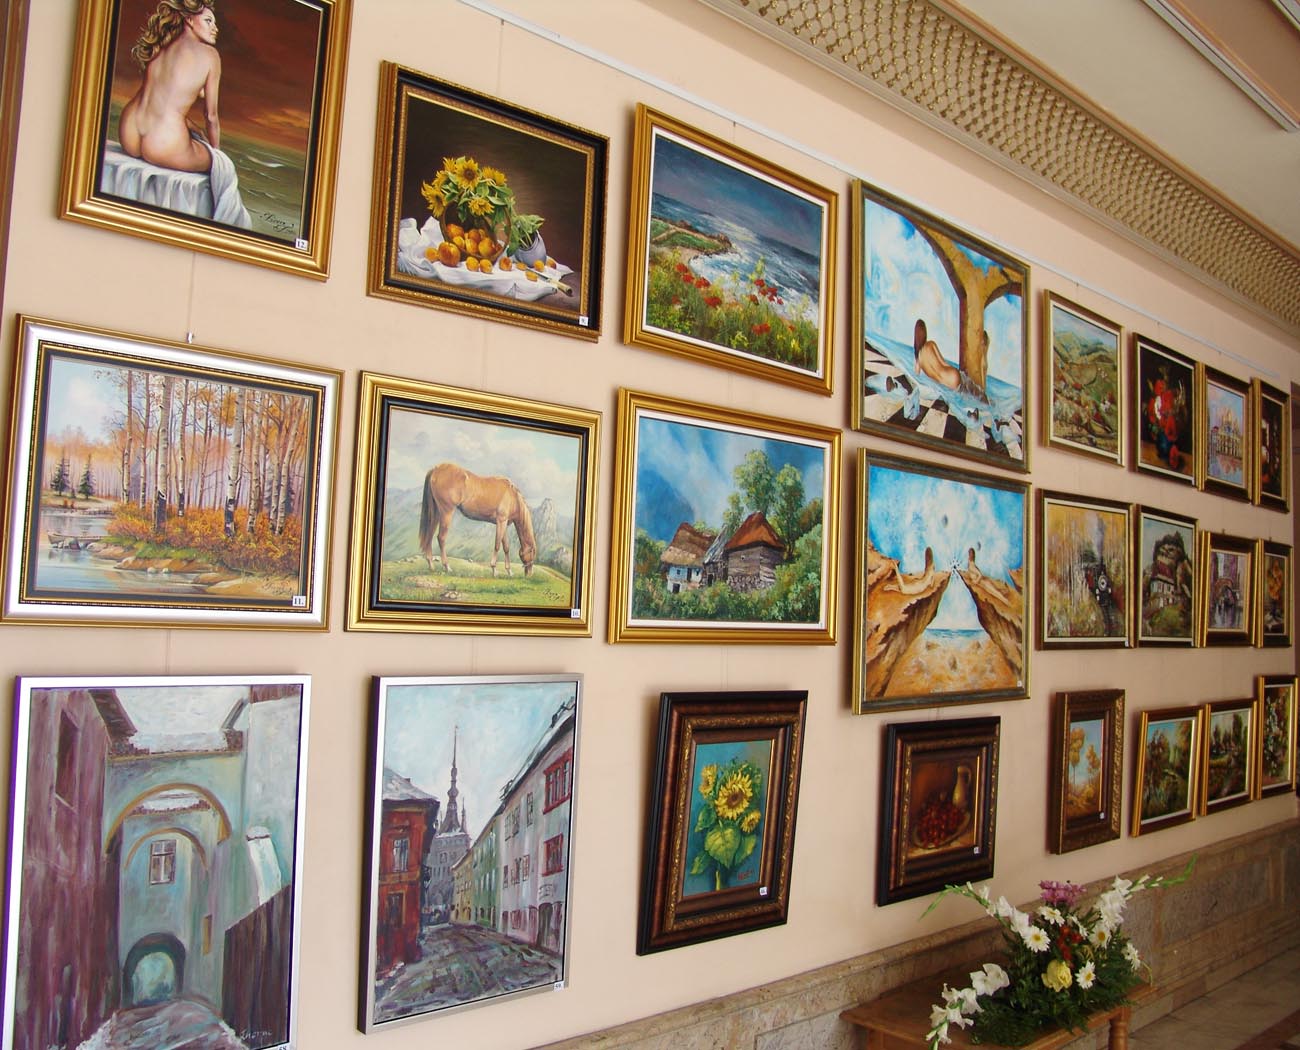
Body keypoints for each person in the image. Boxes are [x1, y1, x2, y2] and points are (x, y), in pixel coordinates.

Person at [117, 0, 222, 174]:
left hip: (129, 132)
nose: (215, 28)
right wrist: (217, 155)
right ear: (189, 19)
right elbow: (210, 116)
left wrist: (193, 128)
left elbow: (161, 101)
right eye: (208, 21)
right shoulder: (210, 55)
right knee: (216, 162)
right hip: (163, 144)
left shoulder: (161, 44)